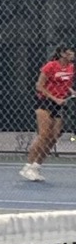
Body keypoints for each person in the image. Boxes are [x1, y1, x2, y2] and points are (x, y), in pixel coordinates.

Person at [20, 45, 75, 182]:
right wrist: (55, 98)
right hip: (45, 102)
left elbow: (64, 83)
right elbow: (39, 85)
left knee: (54, 137)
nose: (73, 54)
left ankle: (35, 167)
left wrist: (71, 92)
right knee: (44, 135)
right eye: (70, 52)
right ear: (62, 54)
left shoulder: (71, 68)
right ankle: (27, 166)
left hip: (59, 105)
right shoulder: (51, 66)